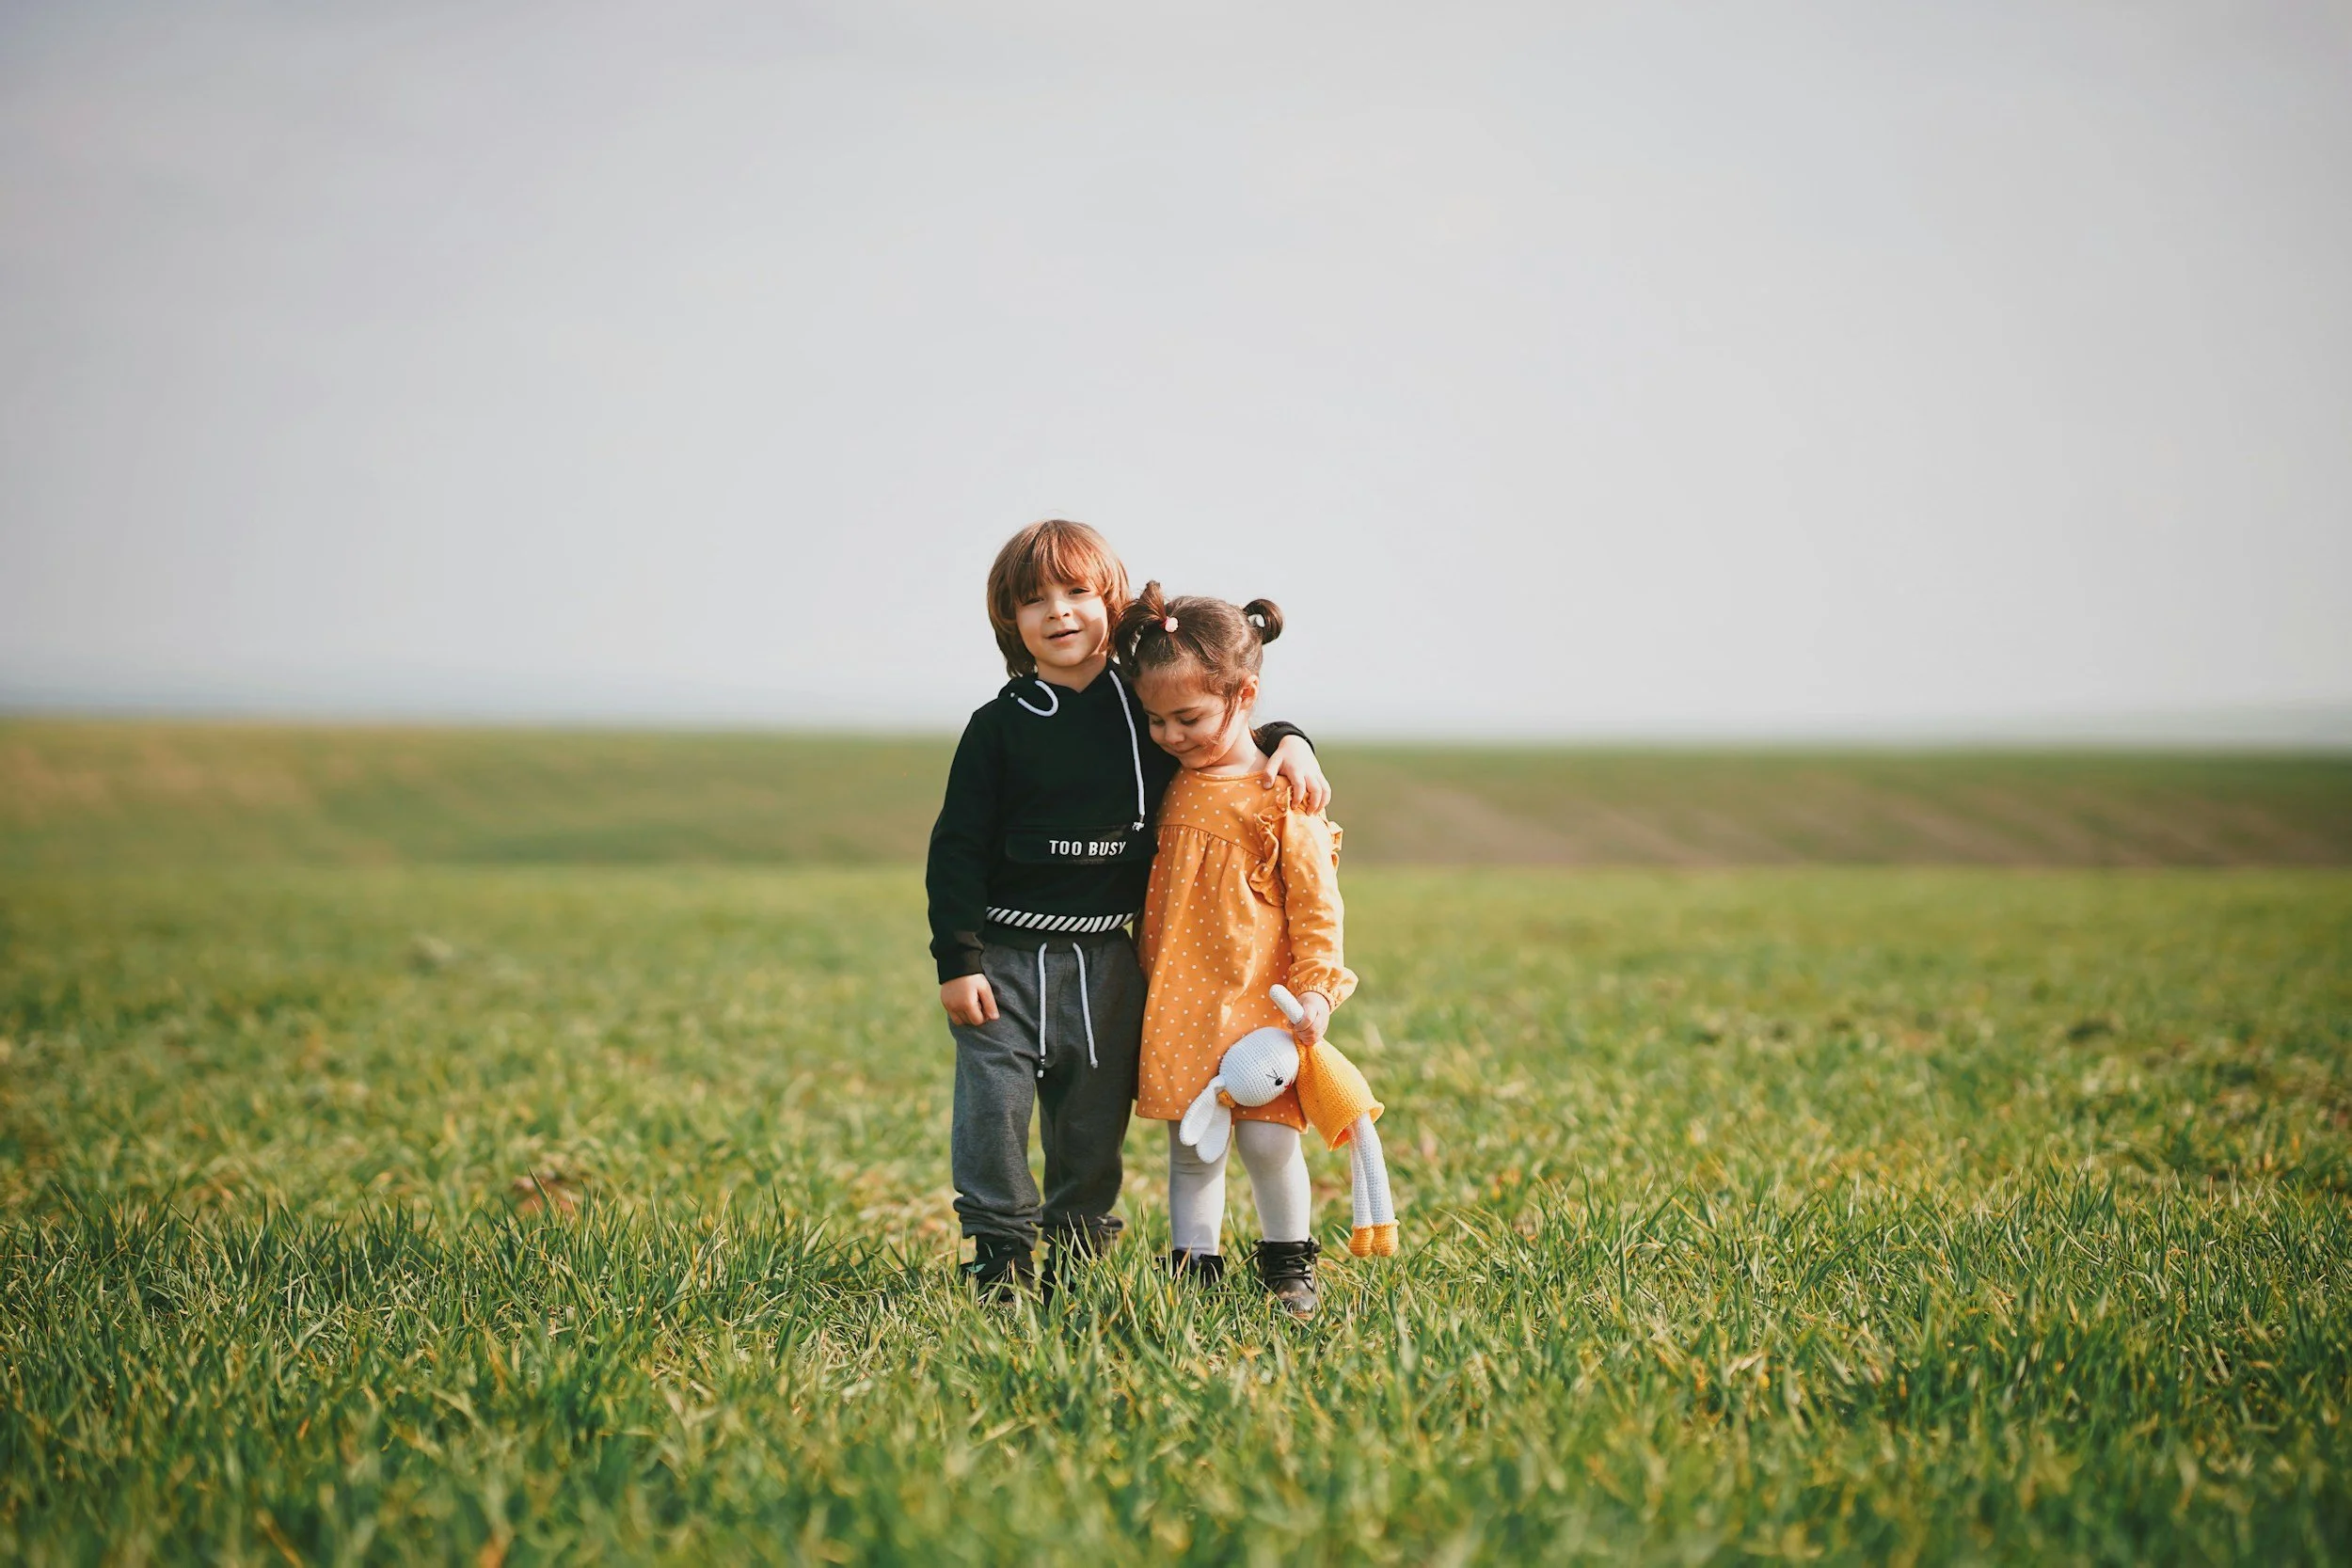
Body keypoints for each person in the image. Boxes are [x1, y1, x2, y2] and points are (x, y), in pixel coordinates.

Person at [926, 520, 1330, 1297]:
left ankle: (1078, 1255)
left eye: (1079, 591)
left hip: (1113, 960)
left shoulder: (1144, 708)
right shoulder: (998, 728)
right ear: (1009, 618)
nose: (1060, 611)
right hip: (1007, 958)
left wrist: (1294, 738)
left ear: (1110, 601)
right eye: (1035, 598)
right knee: (993, 1117)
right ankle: (1000, 1259)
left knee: (1090, 1123)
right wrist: (958, 957)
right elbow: (958, 848)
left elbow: (1219, 732)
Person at [1117, 582, 1356, 1319]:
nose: (1170, 734)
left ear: (1243, 693)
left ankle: (1289, 1264)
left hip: (1258, 1010)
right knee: (1191, 1148)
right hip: (1181, 999)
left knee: (1267, 1145)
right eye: (1156, 720)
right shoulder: (1171, 783)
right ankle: (1195, 1268)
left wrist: (1316, 993)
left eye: (1187, 716)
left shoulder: (1284, 797)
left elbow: (1319, 908)